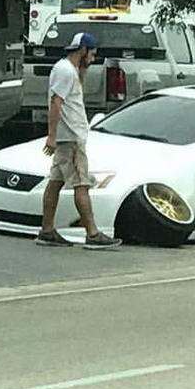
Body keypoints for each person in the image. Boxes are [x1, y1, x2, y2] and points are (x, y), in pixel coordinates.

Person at [37, 31, 122, 249]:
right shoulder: (66, 71)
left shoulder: (68, 69)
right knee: (81, 184)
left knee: (55, 182)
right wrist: (51, 136)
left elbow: (72, 96)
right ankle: (92, 233)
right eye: (91, 54)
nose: (93, 59)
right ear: (83, 50)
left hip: (68, 137)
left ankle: (47, 230)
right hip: (71, 137)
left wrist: (83, 70)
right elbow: (56, 102)